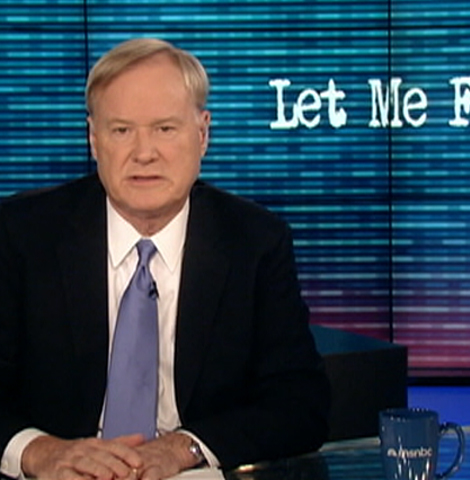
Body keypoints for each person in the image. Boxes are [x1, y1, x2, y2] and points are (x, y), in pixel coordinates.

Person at [0, 38, 330, 480]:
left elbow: (300, 403)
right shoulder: (22, 235)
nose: (144, 153)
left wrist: (184, 448)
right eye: (122, 130)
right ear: (94, 139)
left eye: (165, 129)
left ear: (203, 134)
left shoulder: (254, 243)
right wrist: (40, 453)